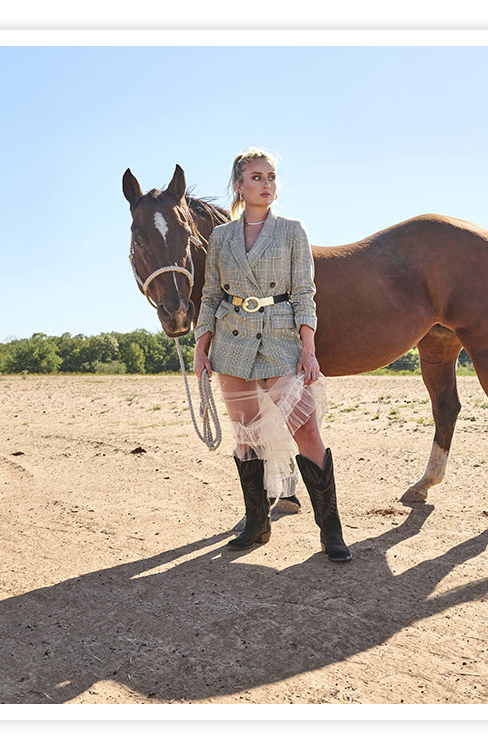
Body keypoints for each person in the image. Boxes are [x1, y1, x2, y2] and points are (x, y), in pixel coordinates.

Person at [192, 148, 352, 562]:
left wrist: (309, 349)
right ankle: (257, 523)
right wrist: (201, 345)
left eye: (271, 177)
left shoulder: (292, 231)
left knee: (307, 432)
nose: (267, 184)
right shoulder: (221, 237)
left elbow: (304, 293)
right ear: (240, 186)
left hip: (282, 340)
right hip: (231, 340)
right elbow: (210, 295)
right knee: (245, 435)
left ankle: (330, 529)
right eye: (258, 177)